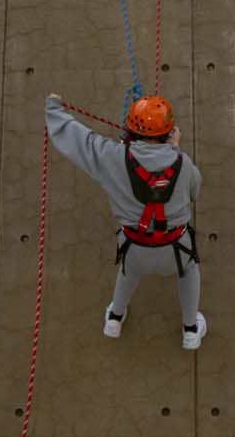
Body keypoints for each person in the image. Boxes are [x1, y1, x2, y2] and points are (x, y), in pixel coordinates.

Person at [45, 92, 207, 350]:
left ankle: (115, 318)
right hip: (176, 248)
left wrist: (53, 108)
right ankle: (190, 331)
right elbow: (193, 192)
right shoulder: (182, 163)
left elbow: (78, 138)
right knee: (188, 271)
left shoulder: (112, 156)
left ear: (131, 129)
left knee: (128, 272)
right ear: (168, 132)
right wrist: (174, 149)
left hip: (134, 247)